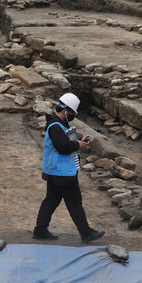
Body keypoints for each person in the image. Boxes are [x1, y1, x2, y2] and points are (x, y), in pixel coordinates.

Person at [33, 92, 105, 243]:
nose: (72, 115)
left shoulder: (58, 125)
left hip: (55, 171)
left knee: (51, 200)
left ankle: (40, 230)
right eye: (72, 112)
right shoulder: (55, 127)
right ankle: (86, 233)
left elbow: (65, 144)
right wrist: (77, 144)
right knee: (75, 203)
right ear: (66, 110)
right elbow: (63, 147)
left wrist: (79, 142)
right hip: (62, 173)